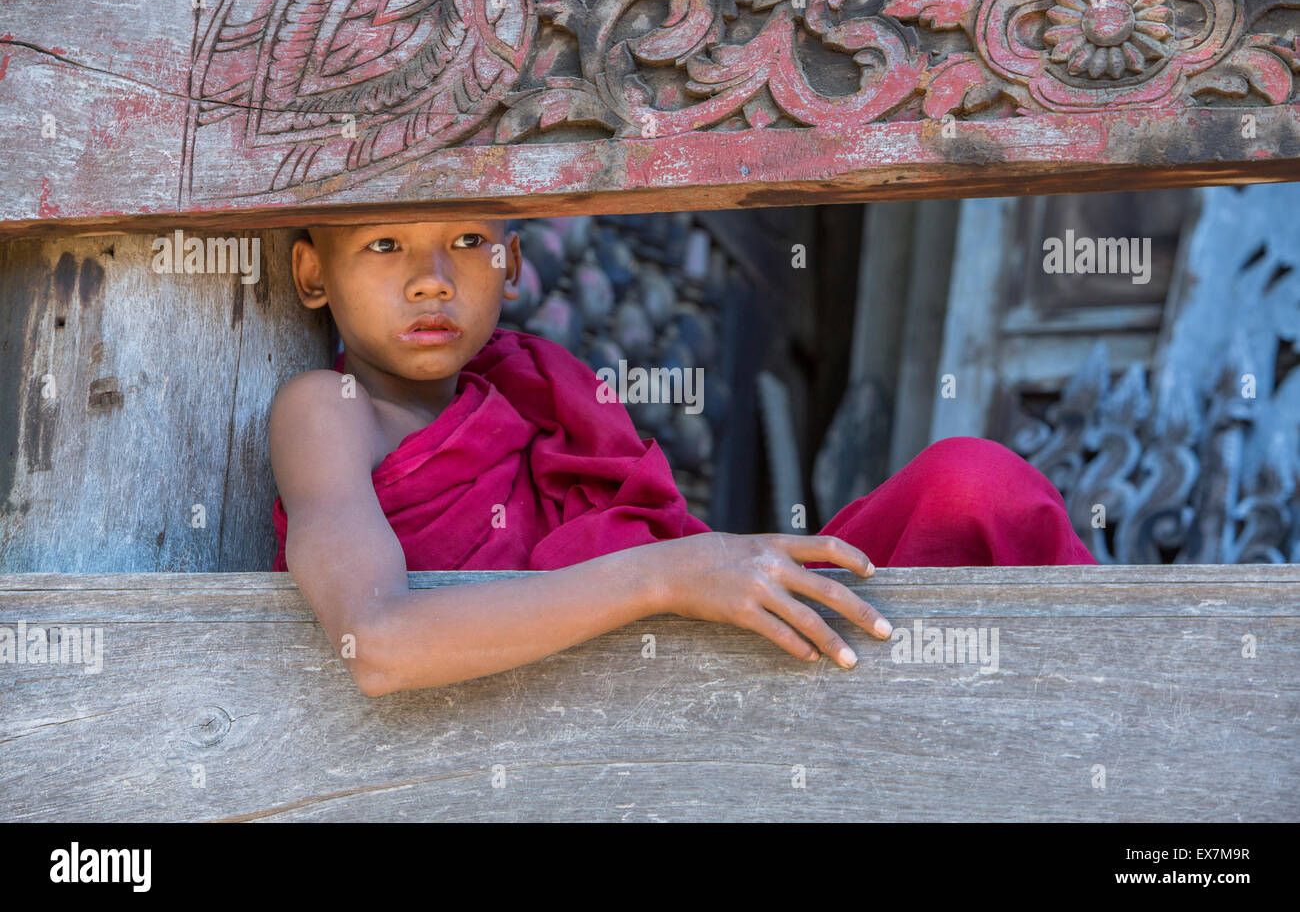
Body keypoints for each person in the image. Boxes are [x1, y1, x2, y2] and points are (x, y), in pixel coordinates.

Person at [269, 220, 1095, 697]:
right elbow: (375, 645)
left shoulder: (537, 391)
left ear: (512, 264)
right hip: (544, 735)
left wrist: (693, 575)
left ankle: (1115, 694)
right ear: (312, 271)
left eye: (467, 240)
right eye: (383, 244)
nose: (431, 280)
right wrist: (666, 576)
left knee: (970, 485)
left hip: (686, 684)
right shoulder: (330, 411)